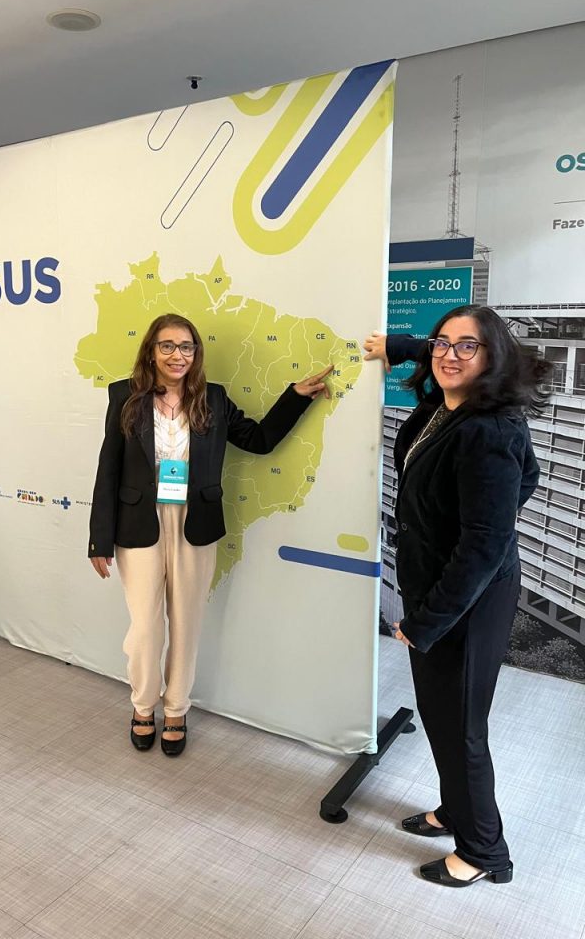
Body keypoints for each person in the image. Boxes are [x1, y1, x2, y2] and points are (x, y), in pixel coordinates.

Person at [363, 305, 549, 888]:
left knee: (461, 728)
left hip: (467, 601)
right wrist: (398, 344)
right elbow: (528, 478)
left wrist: (426, 622)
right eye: (442, 342)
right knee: (442, 717)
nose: (448, 354)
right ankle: (454, 811)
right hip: (443, 589)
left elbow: (484, 546)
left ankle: (484, 851)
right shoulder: (448, 406)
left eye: (467, 346)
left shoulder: (488, 431)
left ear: (492, 357)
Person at [89, 313, 332, 756]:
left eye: (186, 347)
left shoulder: (212, 398)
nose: (177, 355)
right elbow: (109, 467)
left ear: (195, 353)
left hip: (195, 523)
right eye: (167, 346)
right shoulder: (125, 396)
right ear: (151, 351)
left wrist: (295, 398)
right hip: (138, 523)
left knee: (186, 623)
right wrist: (98, 539)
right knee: (145, 628)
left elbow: (259, 440)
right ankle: (143, 705)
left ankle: (176, 709)